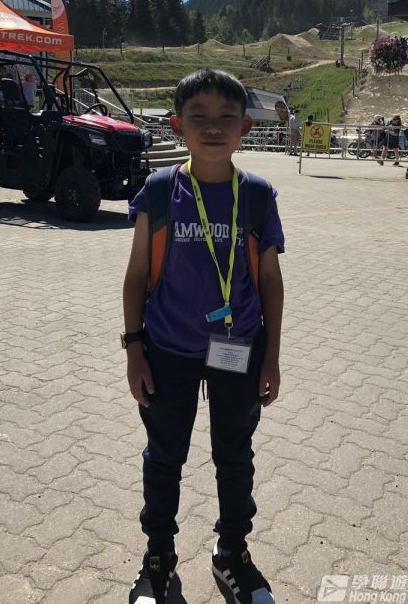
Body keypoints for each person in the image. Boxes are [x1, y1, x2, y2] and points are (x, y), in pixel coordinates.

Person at [123, 68, 285, 604]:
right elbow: (136, 275)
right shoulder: (159, 191)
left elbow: (269, 281)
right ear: (177, 125)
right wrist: (134, 350)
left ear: (245, 127)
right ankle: (158, 562)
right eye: (199, 117)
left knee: (234, 455)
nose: (213, 128)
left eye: (226, 118)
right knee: (164, 457)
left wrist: (272, 357)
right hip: (167, 351)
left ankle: (232, 552)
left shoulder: (257, 195)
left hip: (237, 350)